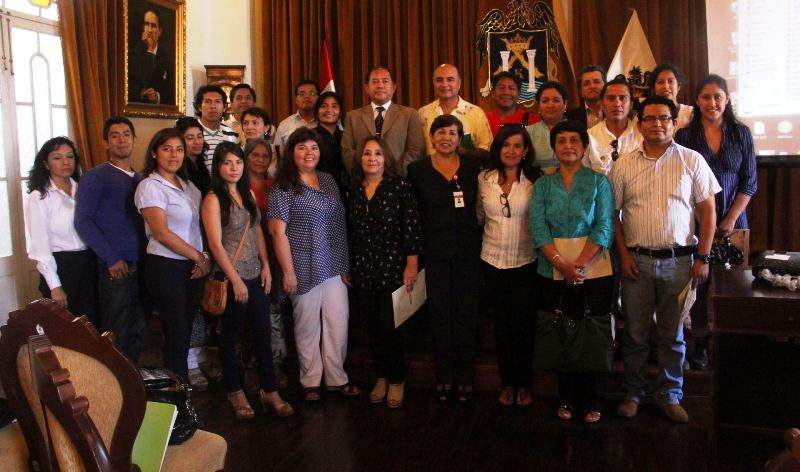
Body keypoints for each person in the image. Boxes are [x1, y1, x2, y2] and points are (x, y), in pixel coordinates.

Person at [612, 96, 720, 424]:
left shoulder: (692, 160)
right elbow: (614, 216)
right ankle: (634, 392)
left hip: (680, 262)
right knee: (635, 333)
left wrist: (703, 257)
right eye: (650, 118)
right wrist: (623, 255)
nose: (657, 124)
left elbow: (708, 211)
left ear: (674, 123)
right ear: (638, 123)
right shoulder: (623, 164)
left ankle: (670, 394)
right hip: (637, 263)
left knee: (672, 335)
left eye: (664, 118)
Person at [530, 120, 615, 423]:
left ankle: (594, 400)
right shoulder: (543, 184)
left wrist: (579, 265)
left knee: (593, 331)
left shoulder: (598, 182)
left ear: (584, 146)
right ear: (554, 147)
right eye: (562, 141)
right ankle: (565, 397)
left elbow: (604, 226)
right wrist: (563, 265)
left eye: (574, 140)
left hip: (595, 269)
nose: (568, 146)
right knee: (562, 331)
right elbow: (538, 229)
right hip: (551, 269)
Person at [202, 141, 294, 419]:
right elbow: (216, 245)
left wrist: (266, 264)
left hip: (255, 275)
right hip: (231, 278)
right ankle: (235, 391)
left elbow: (256, 233)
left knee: (263, 334)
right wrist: (235, 279)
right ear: (218, 167)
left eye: (238, 162)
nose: (234, 168)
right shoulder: (213, 199)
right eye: (227, 163)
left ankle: (269, 389)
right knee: (230, 338)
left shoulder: (249, 195)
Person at [267, 127, 359, 401]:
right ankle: (310, 382)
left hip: (333, 263)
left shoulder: (328, 180)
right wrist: (288, 271)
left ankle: (336, 379)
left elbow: (338, 223)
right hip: (302, 265)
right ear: (291, 152)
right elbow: (277, 232)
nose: (309, 153)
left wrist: (344, 265)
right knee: (306, 326)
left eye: (314, 148)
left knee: (338, 323)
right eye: (302, 148)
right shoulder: (283, 185)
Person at [675, 74, 757, 370]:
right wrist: (703, 218)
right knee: (698, 284)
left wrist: (731, 218)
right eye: (706, 97)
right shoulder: (686, 136)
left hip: (734, 222)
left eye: (717, 97)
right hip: (695, 222)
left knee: (731, 286)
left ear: (727, 99)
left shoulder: (741, 133)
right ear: (697, 101)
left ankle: (731, 345)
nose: (712, 103)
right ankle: (699, 345)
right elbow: (682, 182)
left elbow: (749, 181)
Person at [407, 115, 482, 402]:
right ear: (432, 137)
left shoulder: (474, 167)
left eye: (453, 132)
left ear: (459, 137)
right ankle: (443, 375)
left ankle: (465, 376)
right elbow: (412, 216)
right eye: (441, 132)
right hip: (434, 253)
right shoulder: (417, 170)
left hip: (468, 252)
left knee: (465, 314)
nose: (446, 137)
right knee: (439, 314)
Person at [346, 136, 422, 408]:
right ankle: (380, 376)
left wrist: (412, 264)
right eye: (366, 153)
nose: (372, 158)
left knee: (392, 329)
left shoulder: (399, 186)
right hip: (363, 269)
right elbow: (349, 231)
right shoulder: (353, 189)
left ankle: (397, 380)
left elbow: (410, 227)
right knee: (372, 328)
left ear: (386, 158)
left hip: (393, 268)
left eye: (377, 153)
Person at [134, 128, 211, 380]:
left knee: (185, 328)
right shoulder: (150, 186)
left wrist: (202, 256)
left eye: (179, 149)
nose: (173, 155)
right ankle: (178, 394)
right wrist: (199, 257)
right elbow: (162, 233)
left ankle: (180, 387)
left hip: (191, 265)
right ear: (155, 153)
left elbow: (199, 225)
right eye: (166, 149)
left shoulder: (188, 185)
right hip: (166, 266)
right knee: (176, 331)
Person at [75, 116, 147, 363]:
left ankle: (134, 382)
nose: (121, 140)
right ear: (106, 142)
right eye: (114, 135)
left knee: (138, 326)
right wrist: (111, 257)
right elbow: (83, 221)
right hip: (115, 265)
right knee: (117, 328)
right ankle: (116, 387)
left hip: (141, 263)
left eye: (126, 134)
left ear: (134, 139)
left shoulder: (140, 179)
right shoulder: (96, 176)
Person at [477, 124, 538, 407]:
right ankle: (507, 382)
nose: (511, 151)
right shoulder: (483, 179)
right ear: (497, 149)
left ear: (525, 151)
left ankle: (523, 383)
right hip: (492, 261)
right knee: (502, 327)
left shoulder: (536, 181)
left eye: (517, 146)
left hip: (526, 262)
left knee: (523, 326)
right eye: (505, 145)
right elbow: (479, 216)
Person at [26, 136, 96, 323]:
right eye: (57, 157)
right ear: (46, 164)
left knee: (92, 326)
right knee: (65, 329)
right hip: (61, 266)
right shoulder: (40, 196)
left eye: (70, 156)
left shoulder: (83, 189)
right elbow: (41, 247)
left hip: (89, 263)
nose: (65, 162)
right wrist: (55, 286)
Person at [174, 116, 220, 391]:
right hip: (181, 250)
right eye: (189, 137)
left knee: (201, 305)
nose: (195, 142)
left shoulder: (203, 169)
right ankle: (189, 363)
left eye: (198, 137)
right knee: (186, 309)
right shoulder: (175, 174)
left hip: (203, 244)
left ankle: (201, 357)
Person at [244, 139, 289, 389]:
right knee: (250, 313)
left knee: (275, 312)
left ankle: (275, 364)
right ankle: (251, 366)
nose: (261, 160)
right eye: (255, 155)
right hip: (248, 255)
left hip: (274, 253)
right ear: (246, 156)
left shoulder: (275, 186)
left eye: (265, 156)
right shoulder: (239, 186)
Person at [341, 66, 425, 175]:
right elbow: (347, 151)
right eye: (375, 82)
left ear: (394, 87)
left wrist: (396, 174)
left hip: (399, 181)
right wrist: (365, 173)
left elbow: (416, 149)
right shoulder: (353, 117)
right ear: (367, 88)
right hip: (363, 181)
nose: (380, 86)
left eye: (385, 81)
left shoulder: (409, 115)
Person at [418, 64, 493, 156]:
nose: (444, 84)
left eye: (450, 79)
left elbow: (486, 150)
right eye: (439, 80)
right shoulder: (423, 113)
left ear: (459, 83)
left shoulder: (476, 113)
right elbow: (417, 150)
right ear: (433, 84)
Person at [583, 77, 643, 176]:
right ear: (602, 103)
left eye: (623, 98)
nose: (617, 104)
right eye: (611, 98)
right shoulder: (589, 136)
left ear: (631, 104)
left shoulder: (642, 136)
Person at [128, 9, 173, 104]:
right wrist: (149, 49)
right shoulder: (133, 53)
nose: (149, 30)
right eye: (146, 24)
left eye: (153, 26)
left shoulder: (168, 56)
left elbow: (171, 89)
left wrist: (157, 96)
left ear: (159, 31)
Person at [194, 85, 239, 172]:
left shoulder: (232, 134)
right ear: (199, 106)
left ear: (224, 107)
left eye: (217, 102)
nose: (213, 106)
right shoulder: (191, 132)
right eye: (208, 101)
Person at [525, 80, 568, 166]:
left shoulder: (577, 130)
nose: (550, 105)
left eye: (556, 100)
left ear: (565, 104)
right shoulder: (527, 132)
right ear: (538, 105)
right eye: (545, 101)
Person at [313, 91, 348, 192]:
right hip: (317, 189)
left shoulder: (347, 136)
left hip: (345, 190)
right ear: (317, 112)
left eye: (334, 106)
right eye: (324, 106)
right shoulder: (309, 136)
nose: (329, 110)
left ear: (340, 112)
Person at [485, 71, 538, 136]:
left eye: (511, 88)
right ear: (493, 93)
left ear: (519, 94)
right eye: (501, 88)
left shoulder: (531, 120)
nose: (506, 92)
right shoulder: (484, 119)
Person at [649, 63, 693, 130]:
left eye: (670, 81)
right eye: (660, 82)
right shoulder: (646, 114)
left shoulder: (691, 113)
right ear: (654, 88)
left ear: (678, 86)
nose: (666, 87)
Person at [274, 80, 319, 146]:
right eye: (301, 94)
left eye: (312, 93)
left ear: (318, 98)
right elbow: (277, 153)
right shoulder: (284, 125)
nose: (306, 96)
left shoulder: (325, 122)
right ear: (296, 100)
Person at [175, 117, 211, 195]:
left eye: (199, 137)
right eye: (190, 138)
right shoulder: (177, 166)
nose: (197, 142)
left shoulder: (200, 160)